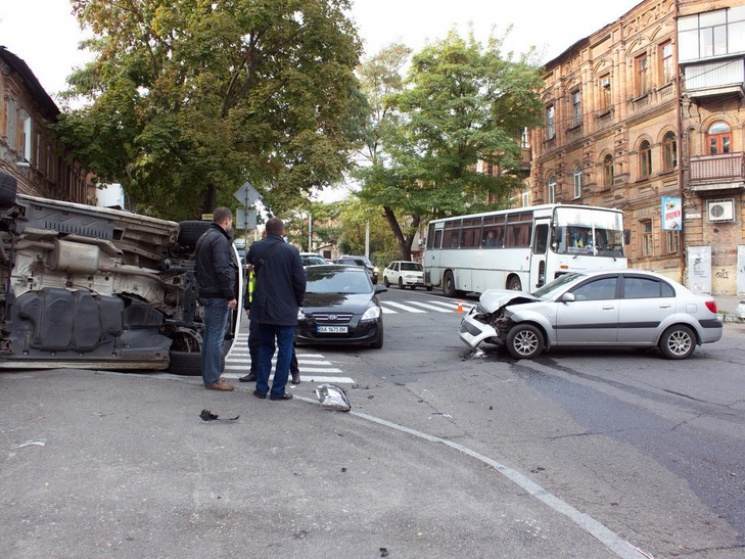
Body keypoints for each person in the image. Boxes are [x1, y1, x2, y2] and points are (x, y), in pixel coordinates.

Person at [246, 217, 306, 401]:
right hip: (286, 309)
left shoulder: (256, 248)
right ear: (282, 232)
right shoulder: (291, 251)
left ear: (266, 230)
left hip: (263, 308)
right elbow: (300, 281)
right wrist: (298, 301)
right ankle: (278, 391)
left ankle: (261, 388)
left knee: (265, 348)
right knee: (285, 349)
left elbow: (249, 269)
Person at [194, 207, 238, 391]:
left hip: (206, 292)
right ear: (227, 221)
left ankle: (209, 375)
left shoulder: (204, 237)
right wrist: (230, 295)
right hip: (217, 295)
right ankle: (212, 379)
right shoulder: (219, 239)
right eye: (231, 223)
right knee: (215, 337)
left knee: (210, 336)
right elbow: (222, 269)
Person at [239, 260, 301, 385]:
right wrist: (247, 306)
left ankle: (294, 371)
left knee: (285, 344)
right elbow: (250, 288)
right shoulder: (256, 269)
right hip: (259, 310)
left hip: (278, 311)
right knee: (254, 341)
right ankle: (255, 372)